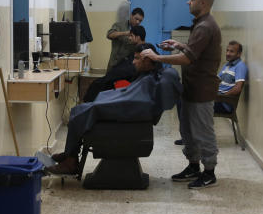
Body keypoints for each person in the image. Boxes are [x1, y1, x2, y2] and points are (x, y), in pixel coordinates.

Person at [47, 43, 180, 175]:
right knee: (77, 110)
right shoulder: (148, 76)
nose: (133, 62)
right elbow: (129, 95)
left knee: (81, 114)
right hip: (128, 107)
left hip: (130, 111)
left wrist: (104, 104)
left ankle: (71, 163)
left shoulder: (150, 80)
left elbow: (134, 101)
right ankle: (70, 153)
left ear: (146, 61)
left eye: (136, 58)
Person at [139, 0, 222, 189]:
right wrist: (178, 44)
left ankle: (209, 171)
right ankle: (193, 166)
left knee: (203, 132)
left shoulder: (205, 27)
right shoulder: (200, 24)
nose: (188, 2)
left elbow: (187, 59)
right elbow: (194, 52)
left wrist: (157, 57)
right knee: (188, 131)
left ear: (203, 3)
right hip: (191, 87)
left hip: (202, 90)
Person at [82, 25, 146, 103]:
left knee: (97, 85)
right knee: (98, 83)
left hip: (124, 78)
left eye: (131, 36)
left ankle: (89, 107)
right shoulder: (137, 48)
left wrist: (114, 73)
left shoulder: (143, 51)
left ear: (138, 37)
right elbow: (110, 35)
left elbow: (132, 69)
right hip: (120, 74)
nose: (129, 38)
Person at [106, 5, 145, 70]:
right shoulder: (119, 25)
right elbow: (109, 35)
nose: (138, 22)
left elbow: (142, 46)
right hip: (114, 63)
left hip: (127, 66)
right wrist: (125, 33)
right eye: (136, 19)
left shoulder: (138, 31)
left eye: (140, 21)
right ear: (131, 16)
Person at [215, 40, 247, 113]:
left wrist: (222, 97)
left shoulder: (240, 66)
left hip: (224, 104)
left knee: (198, 106)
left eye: (231, 51)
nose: (227, 53)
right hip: (217, 99)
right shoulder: (227, 65)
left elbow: (238, 88)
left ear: (239, 54)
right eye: (227, 50)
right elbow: (216, 80)